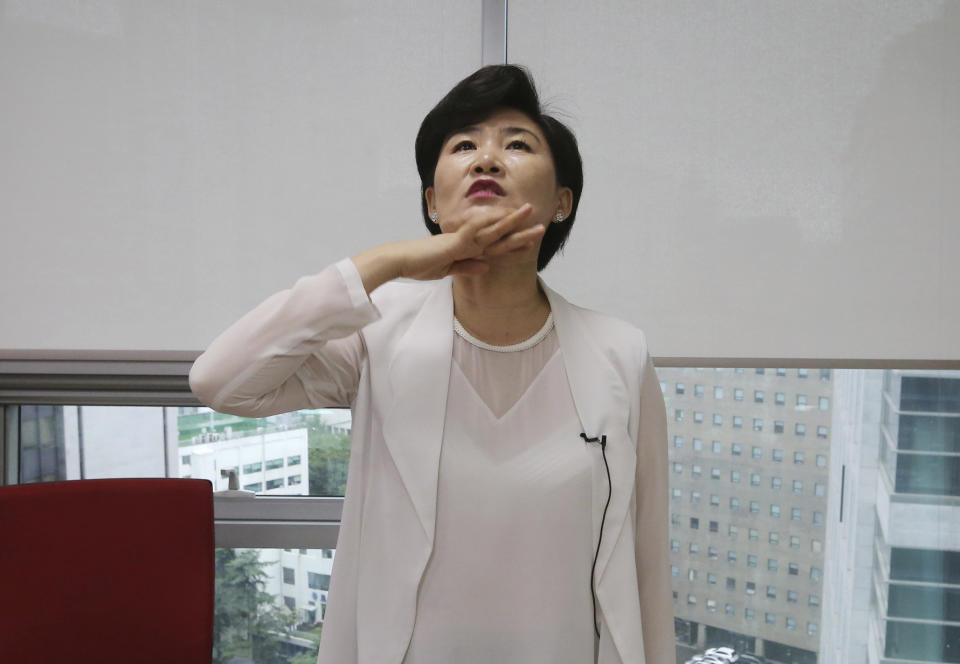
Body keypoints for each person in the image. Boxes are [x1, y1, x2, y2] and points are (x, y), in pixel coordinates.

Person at [190, 65, 674, 664]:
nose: (487, 160)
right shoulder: (381, 333)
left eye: (517, 144)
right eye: (464, 145)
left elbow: (647, 563)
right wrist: (385, 263)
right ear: (432, 202)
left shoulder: (619, 353)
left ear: (560, 203)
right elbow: (221, 380)